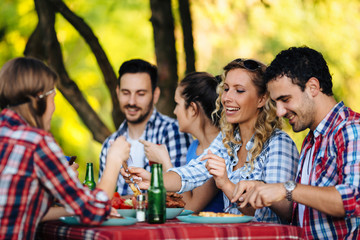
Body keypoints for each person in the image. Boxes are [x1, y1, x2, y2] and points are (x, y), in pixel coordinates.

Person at [124, 58, 299, 223]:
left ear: (262, 99)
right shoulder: (228, 140)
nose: (227, 97)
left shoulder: (278, 144)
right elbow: (192, 173)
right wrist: (153, 179)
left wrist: (226, 184)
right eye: (226, 88)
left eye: (239, 90)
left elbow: (284, 212)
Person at [232, 46, 360, 239]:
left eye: (285, 99)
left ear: (313, 87)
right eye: (276, 103)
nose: (280, 112)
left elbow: (353, 199)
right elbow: (301, 212)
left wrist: (285, 188)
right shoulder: (311, 140)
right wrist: (262, 187)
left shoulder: (351, 129)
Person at [0, 57, 130, 240]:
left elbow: (22, 209)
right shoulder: (36, 142)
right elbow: (94, 211)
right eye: (53, 99)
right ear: (39, 98)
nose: (53, 109)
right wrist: (114, 160)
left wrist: (73, 207)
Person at [98, 59, 192, 196]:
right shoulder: (109, 144)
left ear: (155, 95)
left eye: (140, 94)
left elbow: (181, 197)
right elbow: (103, 200)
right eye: (126, 93)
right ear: (117, 92)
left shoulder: (174, 132)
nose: (132, 102)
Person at [140, 72, 224, 212]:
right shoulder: (194, 146)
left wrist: (164, 161)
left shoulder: (218, 151)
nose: (174, 111)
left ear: (192, 109)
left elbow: (189, 206)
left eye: (177, 104)